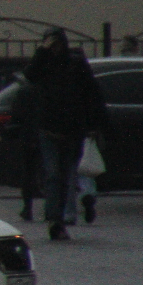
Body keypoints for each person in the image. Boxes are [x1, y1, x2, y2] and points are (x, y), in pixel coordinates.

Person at [23, 29, 106, 240]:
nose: (54, 47)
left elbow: (91, 93)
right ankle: (54, 219)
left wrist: (93, 124)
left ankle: (63, 216)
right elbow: (29, 75)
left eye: (56, 43)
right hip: (48, 128)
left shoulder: (75, 64)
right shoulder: (43, 63)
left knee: (68, 175)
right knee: (52, 175)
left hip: (72, 129)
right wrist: (42, 52)